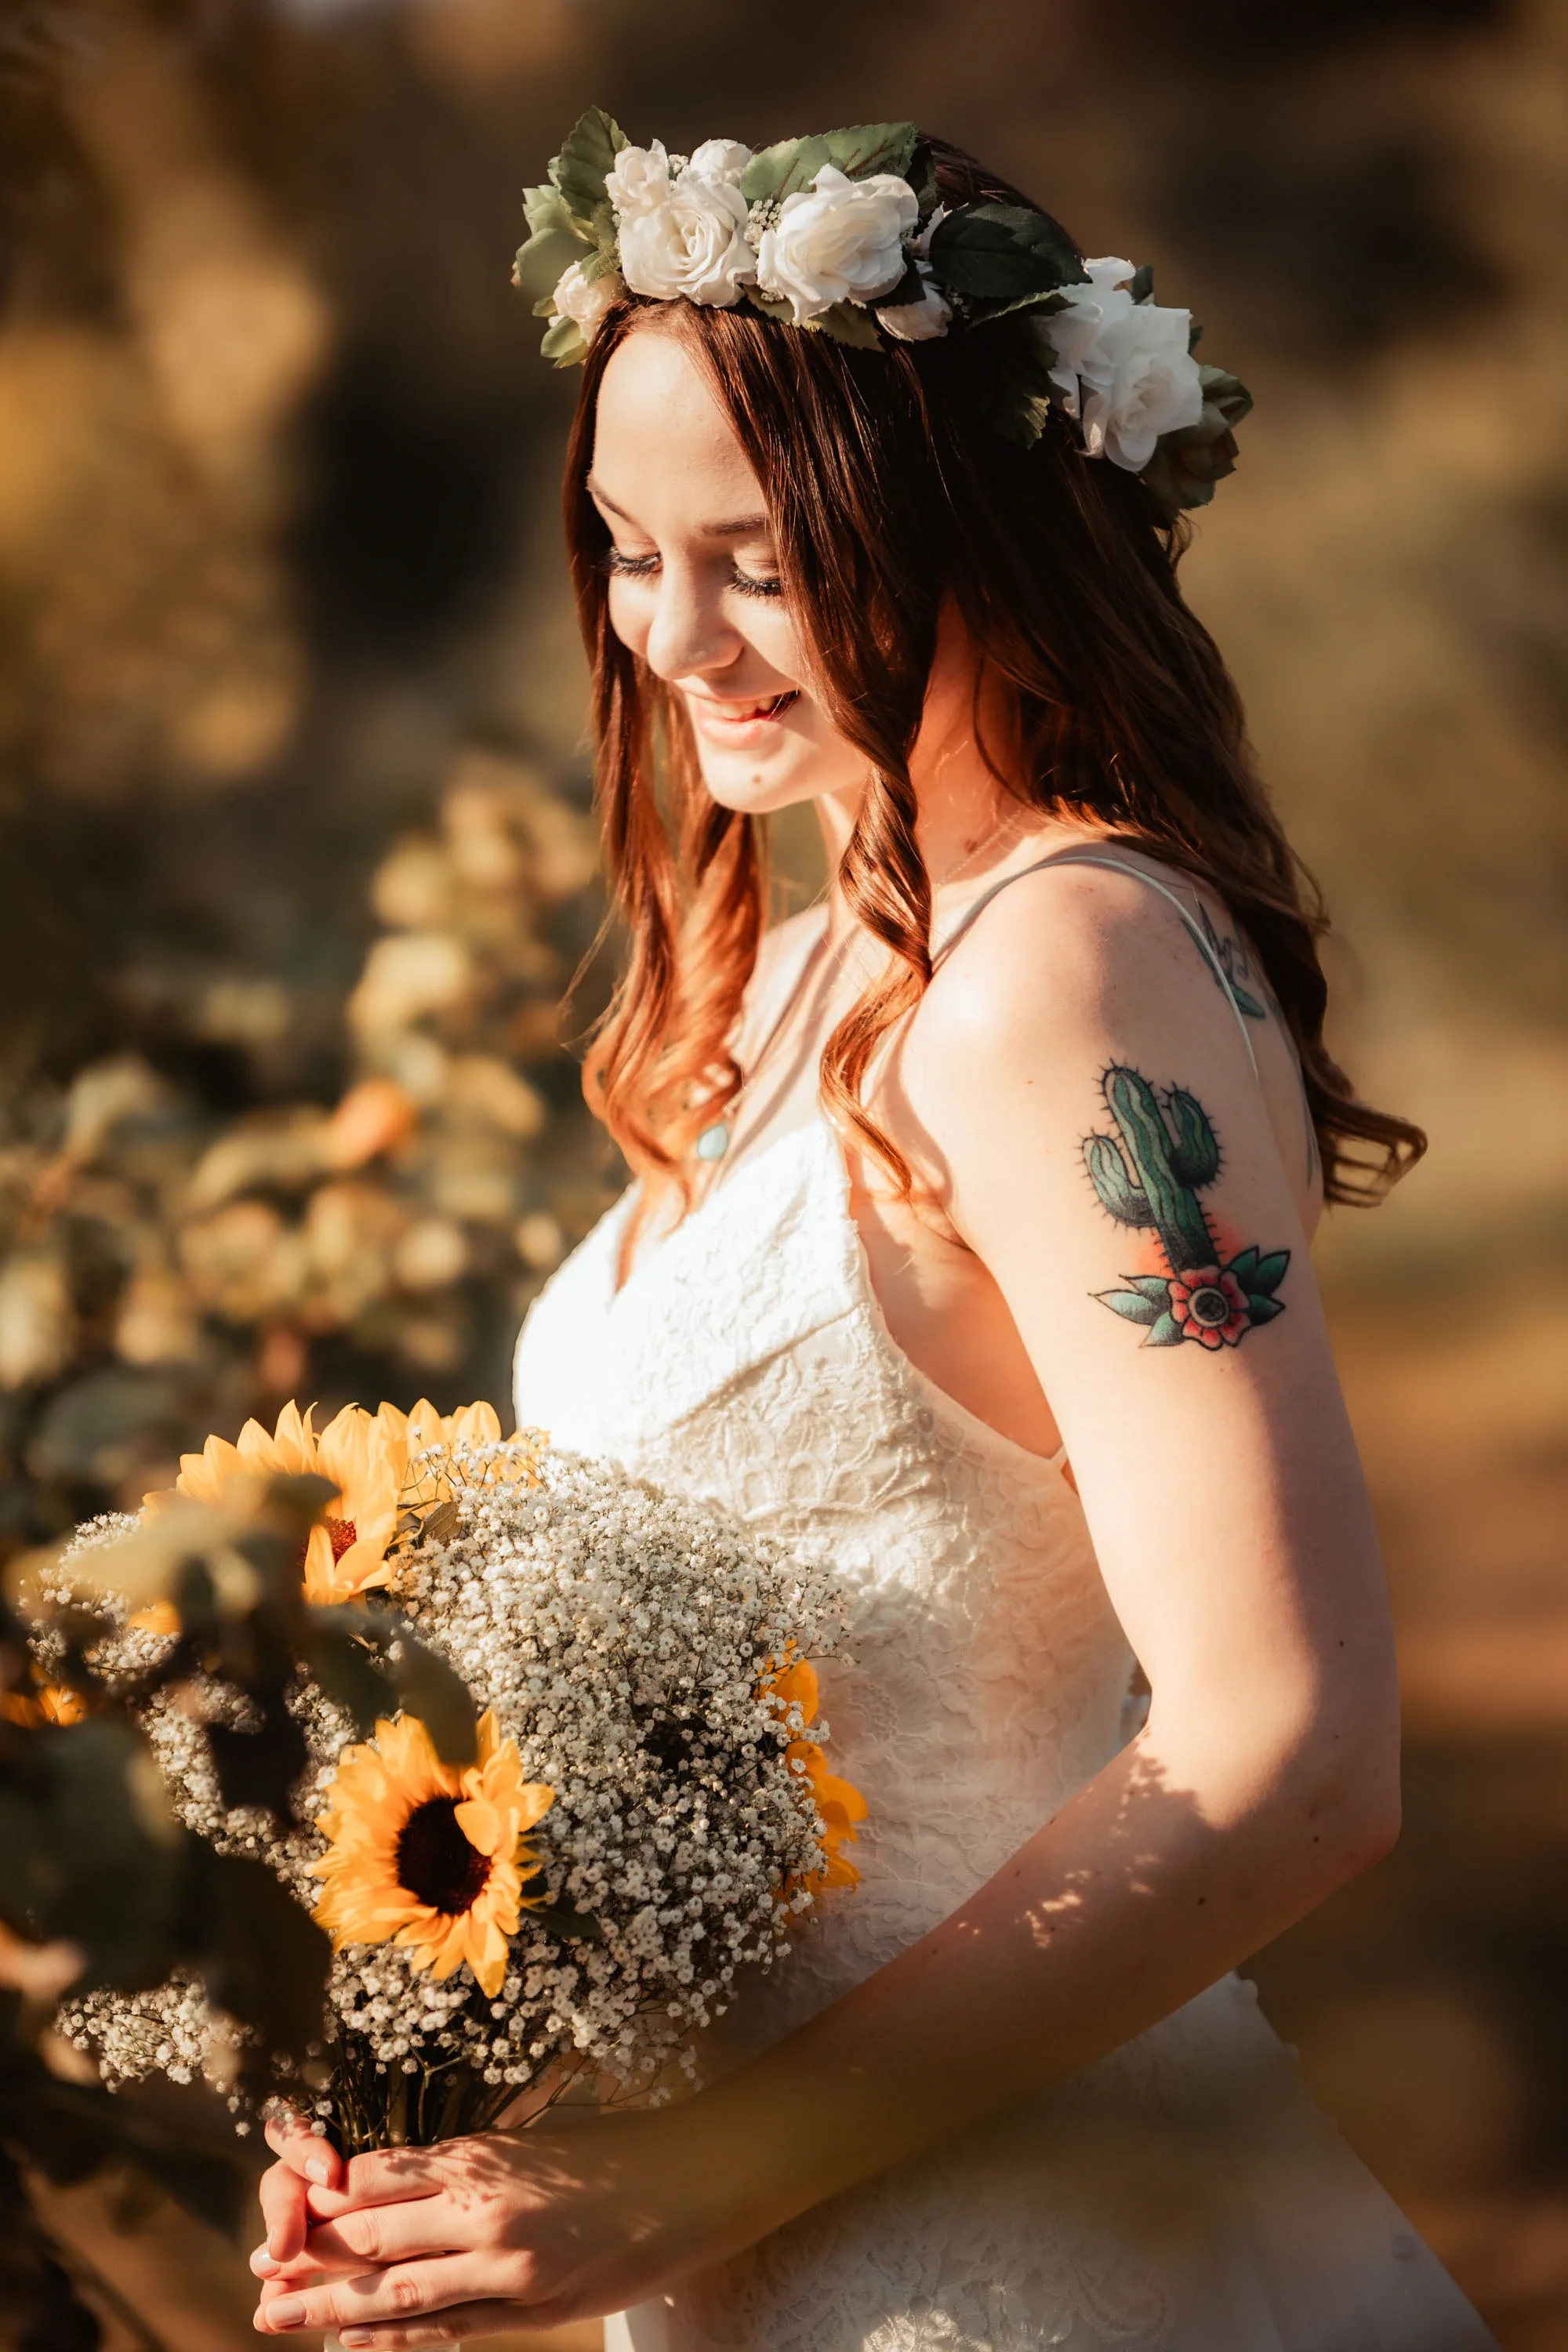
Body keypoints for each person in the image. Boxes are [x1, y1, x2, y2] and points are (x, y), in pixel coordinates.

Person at [249, 120, 1500, 2350]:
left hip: (1051, 2249)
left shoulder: (1069, 967)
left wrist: (702, 2175)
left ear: (977, 522)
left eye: (758, 555)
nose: (674, 634)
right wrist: (433, 2066)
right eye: (633, 553)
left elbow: (1294, 1752)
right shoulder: (795, 948)